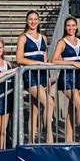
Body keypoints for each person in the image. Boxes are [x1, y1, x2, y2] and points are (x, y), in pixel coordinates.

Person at [16, 10, 55, 143]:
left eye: (35, 19)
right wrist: (37, 63)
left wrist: (48, 77)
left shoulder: (43, 37)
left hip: (42, 74)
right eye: (30, 19)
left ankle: (31, 141)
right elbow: (19, 59)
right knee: (50, 103)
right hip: (30, 75)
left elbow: (45, 58)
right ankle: (48, 136)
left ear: (38, 21)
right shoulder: (23, 37)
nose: (33, 21)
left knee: (35, 109)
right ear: (27, 21)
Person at [51, 16, 80, 143]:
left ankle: (69, 138)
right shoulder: (62, 42)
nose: (71, 28)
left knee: (72, 108)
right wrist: (73, 63)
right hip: (67, 77)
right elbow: (54, 60)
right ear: (65, 27)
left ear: (76, 26)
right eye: (68, 26)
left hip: (79, 77)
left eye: (73, 25)